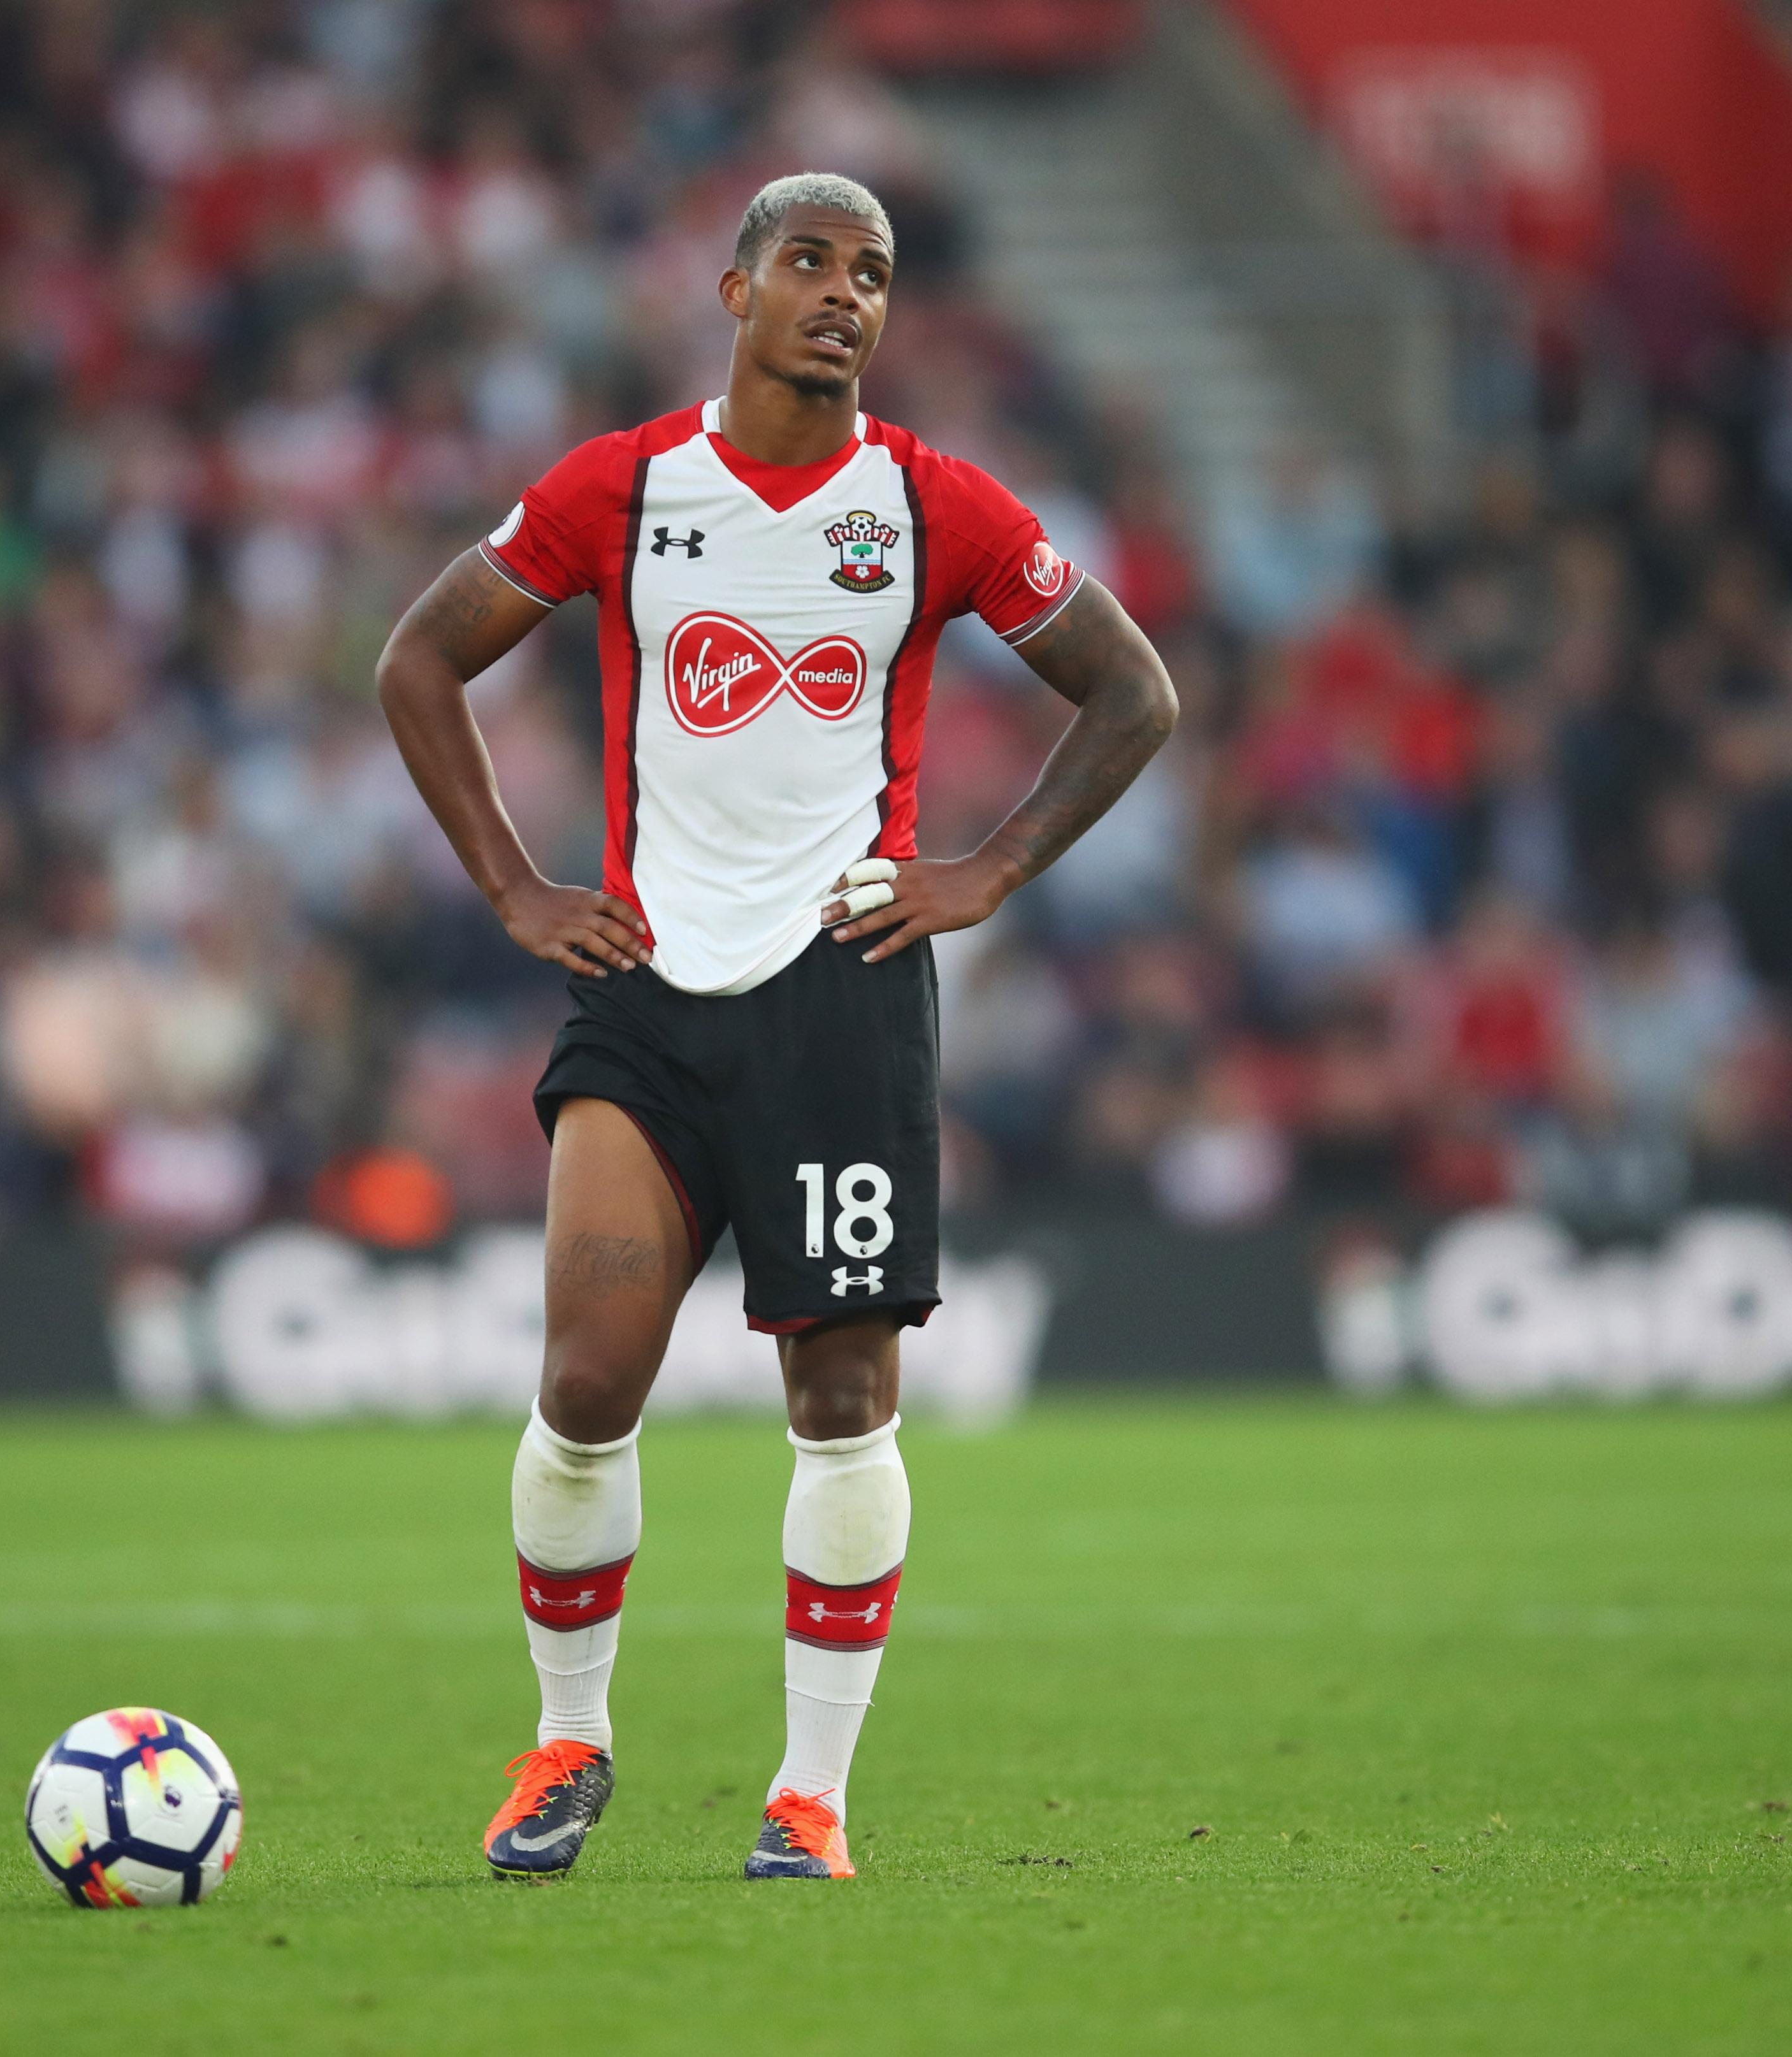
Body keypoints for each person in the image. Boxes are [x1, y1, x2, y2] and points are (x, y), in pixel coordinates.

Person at [374, 173, 1176, 1882]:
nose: (843, 294)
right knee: (587, 1378)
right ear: (734, 289)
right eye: (809, 263)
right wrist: (517, 889)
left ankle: (808, 1794)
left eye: (871, 273)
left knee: (841, 1398)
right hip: (648, 990)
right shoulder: (624, 485)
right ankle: (564, 1745)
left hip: (840, 992)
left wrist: (992, 868)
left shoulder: (936, 506)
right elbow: (418, 660)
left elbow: (1134, 689)